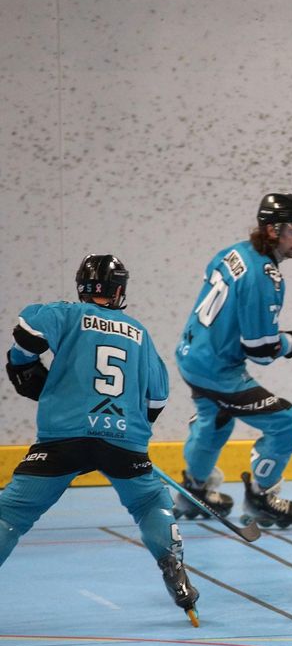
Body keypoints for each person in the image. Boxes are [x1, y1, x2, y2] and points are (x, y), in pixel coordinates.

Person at [1, 255, 199, 625]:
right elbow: (157, 398)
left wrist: (22, 366)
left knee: (11, 513)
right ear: (120, 290)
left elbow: (26, 334)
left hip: (62, 439)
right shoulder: (139, 333)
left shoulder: (66, 314)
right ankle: (173, 565)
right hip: (124, 441)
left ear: (81, 286)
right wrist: (126, 432)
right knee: (148, 501)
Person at [175, 193, 292, 530]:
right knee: (287, 422)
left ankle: (194, 489)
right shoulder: (264, 278)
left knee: (215, 418)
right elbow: (260, 351)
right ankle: (262, 497)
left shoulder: (233, 252)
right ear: (272, 230)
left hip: (191, 356)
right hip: (218, 371)